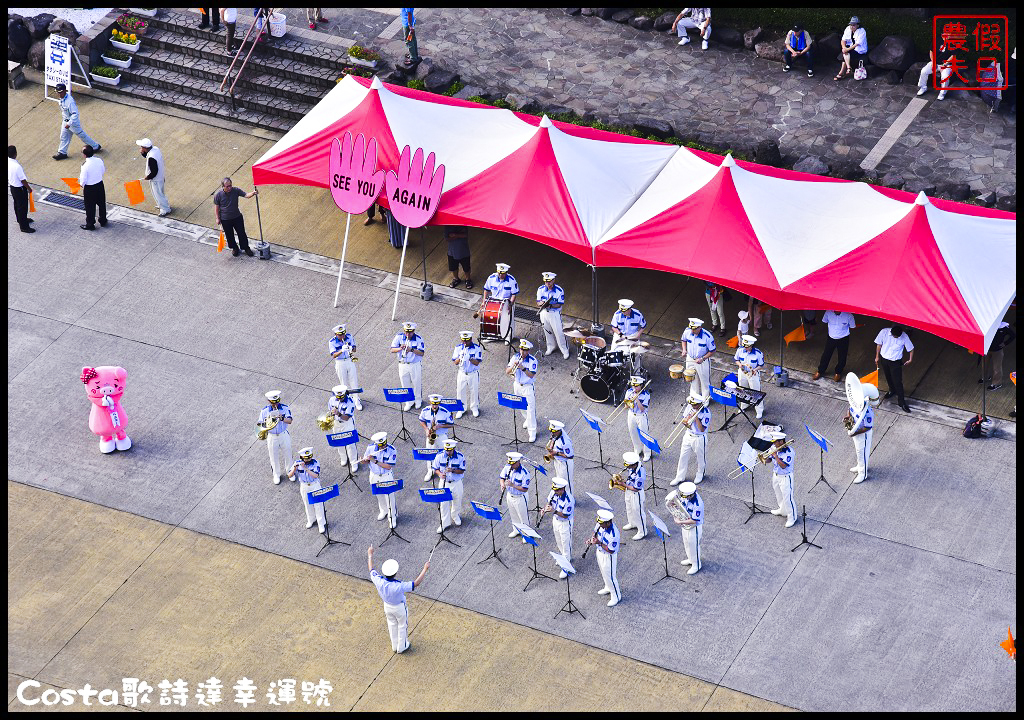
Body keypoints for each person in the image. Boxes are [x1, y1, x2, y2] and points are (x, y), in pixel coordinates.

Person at [367, 547, 429, 654]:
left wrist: (370, 554)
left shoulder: (379, 581)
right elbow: (416, 583)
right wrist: (425, 569)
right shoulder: (398, 586)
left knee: (391, 624)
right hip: (399, 608)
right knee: (402, 625)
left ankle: (394, 646)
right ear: (395, 573)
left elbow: (371, 569)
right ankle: (402, 646)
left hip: (387, 606)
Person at [358, 432, 398, 526]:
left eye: (384, 444)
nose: (383, 447)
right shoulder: (370, 448)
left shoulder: (392, 450)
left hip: (386, 475)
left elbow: (388, 466)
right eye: (380, 445)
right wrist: (363, 461)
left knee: (389, 497)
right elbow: (366, 461)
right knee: (379, 495)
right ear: (376, 444)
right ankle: (383, 510)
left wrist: (375, 461)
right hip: (374, 475)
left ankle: (392, 517)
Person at [52, 83, 100, 161]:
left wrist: (69, 123)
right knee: (63, 137)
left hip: (72, 123)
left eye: (60, 92)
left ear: (64, 91)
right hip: (66, 121)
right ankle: (62, 152)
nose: (59, 94)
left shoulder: (69, 101)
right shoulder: (62, 99)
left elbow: (75, 114)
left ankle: (95, 146)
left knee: (82, 136)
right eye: (58, 92)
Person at [213, 177, 258, 257]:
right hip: (225, 219)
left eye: (230, 185)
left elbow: (246, 195)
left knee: (241, 233)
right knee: (229, 235)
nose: (229, 188)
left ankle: (246, 248)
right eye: (227, 186)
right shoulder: (218, 195)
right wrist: (217, 218)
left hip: (237, 217)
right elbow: (217, 207)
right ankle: (235, 248)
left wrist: (253, 193)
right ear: (223, 186)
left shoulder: (236, 190)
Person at [586, 509, 621, 607]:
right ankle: (608, 587)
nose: (599, 525)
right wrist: (591, 540)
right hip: (600, 552)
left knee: (611, 576)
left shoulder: (614, 534)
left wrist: (599, 543)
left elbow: (611, 550)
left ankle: (616, 596)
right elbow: (595, 533)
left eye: (602, 523)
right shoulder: (599, 525)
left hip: (608, 556)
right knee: (603, 572)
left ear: (608, 523)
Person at [874, 325, 914, 413]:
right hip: (884, 359)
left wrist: (910, 359)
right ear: (891, 332)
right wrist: (877, 356)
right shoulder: (884, 331)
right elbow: (879, 344)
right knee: (888, 376)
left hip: (895, 362)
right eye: (894, 336)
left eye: (897, 336)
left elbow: (911, 349)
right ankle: (892, 390)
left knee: (898, 381)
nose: (895, 337)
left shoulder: (904, 336)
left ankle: (902, 402)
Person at [845, 376, 877, 484]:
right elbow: (849, 409)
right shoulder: (856, 401)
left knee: (862, 452)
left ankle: (863, 474)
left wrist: (854, 432)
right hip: (856, 431)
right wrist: (847, 418)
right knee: (858, 451)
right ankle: (859, 466)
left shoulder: (868, 412)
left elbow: (867, 427)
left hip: (863, 434)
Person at [673, 394, 710, 486]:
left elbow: (702, 429)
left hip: (699, 437)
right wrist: (687, 421)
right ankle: (680, 477)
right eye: (692, 404)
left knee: (700, 458)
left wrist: (696, 417)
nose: (693, 406)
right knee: (683, 456)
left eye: (695, 405)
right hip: (688, 435)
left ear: (700, 403)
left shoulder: (706, 412)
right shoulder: (690, 407)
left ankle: (700, 474)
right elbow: (685, 420)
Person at [666, 481, 703, 574]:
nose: (683, 498)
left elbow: (695, 520)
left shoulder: (697, 504)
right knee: (687, 544)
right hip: (686, 525)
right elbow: (682, 506)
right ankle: (691, 559)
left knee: (694, 547)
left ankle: (697, 565)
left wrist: (680, 521)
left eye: (686, 496)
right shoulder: (686, 496)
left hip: (694, 528)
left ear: (691, 495)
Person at [288, 447, 326, 534]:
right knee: (307, 504)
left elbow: (315, 475)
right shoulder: (297, 463)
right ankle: (311, 520)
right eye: (306, 458)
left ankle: (321, 523)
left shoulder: (315, 463)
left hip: (314, 485)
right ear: (302, 458)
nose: (309, 459)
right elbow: (289, 475)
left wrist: (305, 468)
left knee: (318, 505)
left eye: (309, 457)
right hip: (304, 486)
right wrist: (294, 468)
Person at [507, 339, 538, 443]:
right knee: (521, 406)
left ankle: (532, 432)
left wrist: (523, 368)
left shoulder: (533, 360)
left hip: (527, 386)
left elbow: (531, 375)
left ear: (528, 351)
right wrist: (513, 366)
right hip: (517, 385)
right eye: (521, 349)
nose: (522, 352)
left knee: (530, 409)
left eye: (525, 350)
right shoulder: (515, 357)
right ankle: (527, 419)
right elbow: (507, 371)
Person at [541, 478, 574, 578]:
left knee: (565, 543)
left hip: (565, 522)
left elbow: (565, 515)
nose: (555, 492)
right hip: (556, 520)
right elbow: (549, 503)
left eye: (557, 490)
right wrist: (545, 509)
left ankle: (566, 566)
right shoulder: (553, 492)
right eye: (554, 490)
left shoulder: (569, 500)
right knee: (558, 540)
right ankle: (563, 558)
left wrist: (554, 511)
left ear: (562, 489)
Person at [763, 431, 796, 527]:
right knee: (779, 494)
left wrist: (776, 456)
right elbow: (769, 459)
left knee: (788, 498)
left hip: (785, 477)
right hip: (776, 475)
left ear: (781, 442)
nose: (773, 444)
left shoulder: (789, 452)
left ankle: (792, 517)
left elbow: (783, 466)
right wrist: (765, 459)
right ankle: (782, 510)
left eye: (775, 442)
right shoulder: (774, 448)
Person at [431, 439, 466, 531]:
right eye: (446, 450)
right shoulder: (439, 456)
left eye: (449, 450)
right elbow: (435, 468)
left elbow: (462, 470)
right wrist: (439, 474)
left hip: (456, 482)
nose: (448, 452)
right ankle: (444, 523)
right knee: (444, 504)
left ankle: (455, 515)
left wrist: (452, 470)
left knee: (457, 500)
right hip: (444, 482)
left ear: (453, 448)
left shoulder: (460, 456)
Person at [258, 390, 292, 484]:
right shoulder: (264, 410)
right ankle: (276, 474)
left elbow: (290, 421)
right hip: (272, 436)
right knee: (273, 456)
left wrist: (281, 418)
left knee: (288, 453)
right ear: (269, 401)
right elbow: (260, 424)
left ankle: (290, 472)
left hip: (283, 434)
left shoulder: (285, 408)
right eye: (273, 403)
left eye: (277, 402)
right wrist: (267, 421)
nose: (276, 404)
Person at [390, 321, 425, 410]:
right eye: (406, 332)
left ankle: (418, 400)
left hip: (414, 364)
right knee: (404, 383)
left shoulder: (418, 339)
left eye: (409, 332)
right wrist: (400, 348)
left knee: (416, 383)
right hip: (402, 364)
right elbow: (392, 349)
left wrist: (411, 350)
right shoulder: (399, 337)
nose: (407, 334)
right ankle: (409, 402)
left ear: (413, 331)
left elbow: (421, 353)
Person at [814, 310, 857, 382]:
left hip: (843, 338)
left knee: (842, 356)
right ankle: (820, 371)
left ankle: (838, 372)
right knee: (826, 354)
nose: (835, 310)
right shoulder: (828, 312)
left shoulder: (849, 315)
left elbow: (852, 326)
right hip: (831, 337)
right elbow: (824, 321)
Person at [419, 394, 453, 482]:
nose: (434, 406)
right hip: (431, 434)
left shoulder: (445, 412)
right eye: (433, 404)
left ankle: (444, 471)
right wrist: (426, 429)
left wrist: (440, 426)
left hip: (441, 436)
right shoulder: (425, 410)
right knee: (429, 453)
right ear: (430, 403)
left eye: (436, 404)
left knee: (445, 452)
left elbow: (451, 425)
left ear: (439, 403)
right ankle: (430, 471)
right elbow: (421, 420)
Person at [680, 317, 716, 400]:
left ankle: (705, 399)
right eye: (691, 328)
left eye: (694, 329)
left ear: (700, 328)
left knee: (704, 381)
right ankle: (695, 397)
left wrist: (703, 358)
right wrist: (684, 350)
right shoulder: (687, 331)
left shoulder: (707, 336)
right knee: (692, 377)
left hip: (702, 360)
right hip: (690, 358)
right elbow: (683, 340)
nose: (692, 331)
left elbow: (713, 351)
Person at [537, 272, 570, 359]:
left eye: (549, 281)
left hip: (554, 313)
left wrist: (550, 305)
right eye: (546, 282)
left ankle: (564, 349)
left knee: (559, 332)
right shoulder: (540, 289)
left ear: (553, 280)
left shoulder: (559, 290)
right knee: (547, 331)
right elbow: (538, 302)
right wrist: (541, 303)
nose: (548, 283)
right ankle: (551, 346)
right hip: (544, 312)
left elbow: (559, 304)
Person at [482, 262, 519, 341]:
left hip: (506, 302)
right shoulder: (491, 278)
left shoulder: (511, 280)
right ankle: (492, 335)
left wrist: (510, 305)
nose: (500, 275)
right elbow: (486, 289)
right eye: (499, 273)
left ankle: (509, 337)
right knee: (491, 319)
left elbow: (514, 294)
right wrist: (484, 301)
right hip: (494, 302)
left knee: (508, 320)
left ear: (506, 273)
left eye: (502, 273)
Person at [329, 324, 362, 410]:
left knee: (353, 380)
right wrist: (341, 350)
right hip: (340, 362)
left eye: (343, 334)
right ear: (336, 334)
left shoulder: (349, 337)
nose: (342, 336)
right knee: (343, 382)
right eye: (340, 335)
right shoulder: (332, 342)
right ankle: (347, 400)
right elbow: (333, 355)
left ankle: (356, 400)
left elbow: (355, 349)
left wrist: (350, 348)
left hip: (349, 360)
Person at [136, 138, 170, 217]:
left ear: (145, 147)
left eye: (142, 147)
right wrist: (143, 153)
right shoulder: (155, 149)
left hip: (156, 179)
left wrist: (148, 177)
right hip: (160, 176)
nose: (141, 148)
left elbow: (154, 171)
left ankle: (165, 209)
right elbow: (148, 157)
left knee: (158, 194)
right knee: (160, 192)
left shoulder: (151, 157)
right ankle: (161, 204)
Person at [500, 452, 531, 540]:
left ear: (518, 462)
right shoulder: (508, 467)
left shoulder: (524, 473)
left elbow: (525, 489)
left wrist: (513, 485)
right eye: (510, 464)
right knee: (513, 514)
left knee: (523, 517)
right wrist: (502, 484)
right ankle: (516, 530)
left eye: (512, 464)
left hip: (520, 497)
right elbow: (502, 477)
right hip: (510, 495)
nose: (511, 466)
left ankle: (526, 534)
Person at [452, 331, 482, 418]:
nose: (465, 342)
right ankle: (461, 408)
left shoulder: (476, 348)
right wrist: (460, 358)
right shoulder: (458, 348)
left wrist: (469, 358)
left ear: (471, 339)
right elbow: (455, 362)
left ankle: (474, 407)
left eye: (467, 340)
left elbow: (477, 363)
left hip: (472, 373)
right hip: (462, 373)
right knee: (460, 391)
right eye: (463, 340)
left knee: (474, 391)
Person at [328, 385, 359, 469]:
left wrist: (338, 413)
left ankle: (354, 462)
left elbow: (346, 418)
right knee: (338, 441)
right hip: (336, 423)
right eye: (338, 397)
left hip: (347, 423)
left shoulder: (350, 402)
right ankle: (343, 458)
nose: (340, 399)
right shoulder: (332, 399)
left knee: (350, 443)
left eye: (341, 397)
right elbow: (330, 411)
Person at [619, 452, 648, 541]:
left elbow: (636, 488)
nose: (627, 467)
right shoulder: (633, 467)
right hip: (629, 490)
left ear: (634, 464)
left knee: (638, 512)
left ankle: (642, 531)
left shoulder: (640, 475)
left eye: (628, 465)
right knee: (629, 508)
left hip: (636, 494)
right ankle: (632, 523)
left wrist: (623, 484)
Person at [735, 335, 765, 419]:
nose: (745, 348)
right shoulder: (740, 350)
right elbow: (736, 359)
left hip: (753, 374)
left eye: (747, 346)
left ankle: (759, 410)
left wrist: (755, 370)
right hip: (742, 372)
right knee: (742, 389)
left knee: (755, 392)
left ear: (751, 346)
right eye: (744, 345)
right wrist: (739, 364)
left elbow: (761, 365)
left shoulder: (758, 353)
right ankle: (744, 405)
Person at [79, 145, 107, 231]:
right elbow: (103, 170)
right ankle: (103, 220)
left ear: (84, 155)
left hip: (90, 188)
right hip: (99, 185)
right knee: (102, 203)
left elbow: (83, 179)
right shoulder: (99, 160)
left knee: (90, 207)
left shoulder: (85, 165)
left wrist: (81, 184)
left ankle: (90, 224)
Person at [981, 322, 1015, 390]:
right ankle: (985, 377)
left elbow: (1013, 335)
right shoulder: (987, 324)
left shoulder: (1004, 327)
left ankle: (997, 383)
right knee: (984, 364)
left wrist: (1005, 343)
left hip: (997, 351)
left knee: (997, 368)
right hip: (987, 349)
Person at [624, 376, 651, 461]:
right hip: (631, 414)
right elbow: (626, 406)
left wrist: (637, 400)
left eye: (636, 386)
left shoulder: (646, 395)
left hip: (641, 416)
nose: (634, 388)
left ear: (641, 385)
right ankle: (637, 450)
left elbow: (642, 409)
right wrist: (629, 402)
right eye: (633, 386)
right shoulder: (629, 392)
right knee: (633, 433)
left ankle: (647, 453)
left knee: (644, 434)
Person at [8, 146, 35, 233]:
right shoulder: (17, 166)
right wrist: (29, 189)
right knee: (22, 207)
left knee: (17, 205)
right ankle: (24, 227)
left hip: (12, 187)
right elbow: (23, 180)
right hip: (20, 189)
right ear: (15, 153)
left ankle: (20, 220)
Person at [546, 420, 575, 498]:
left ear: (559, 431)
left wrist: (556, 453)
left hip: (565, 463)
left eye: (554, 431)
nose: (552, 433)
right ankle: (561, 494)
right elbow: (553, 439)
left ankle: (570, 498)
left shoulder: (565, 442)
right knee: (559, 478)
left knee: (567, 482)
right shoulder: (555, 435)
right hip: (557, 460)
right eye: (551, 431)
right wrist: (551, 447)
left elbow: (570, 456)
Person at [836, 16, 868, 81]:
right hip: (850, 47)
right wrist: (844, 47)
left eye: (853, 25)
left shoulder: (862, 31)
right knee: (845, 52)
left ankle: (841, 72)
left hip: (859, 50)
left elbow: (857, 44)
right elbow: (843, 40)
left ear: (858, 25)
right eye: (851, 25)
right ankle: (848, 67)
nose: (851, 27)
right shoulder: (848, 29)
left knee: (845, 54)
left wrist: (846, 50)